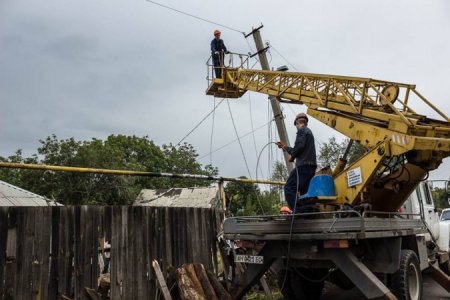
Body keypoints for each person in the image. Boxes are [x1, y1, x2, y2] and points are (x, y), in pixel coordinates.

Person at [276, 113, 317, 212]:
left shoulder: (302, 130)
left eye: (296, 125)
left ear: (297, 123)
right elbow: (299, 148)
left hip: (303, 166)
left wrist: (292, 157)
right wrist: (284, 147)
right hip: (310, 168)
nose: (296, 127)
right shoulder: (309, 132)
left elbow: (299, 147)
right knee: (304, 193)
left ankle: (297, 212)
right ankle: (309, 213)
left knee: (289, 188)